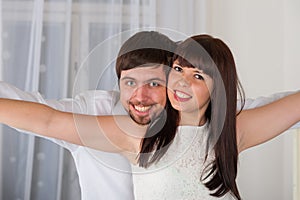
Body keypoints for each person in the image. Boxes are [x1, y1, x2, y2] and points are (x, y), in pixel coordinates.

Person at [0, 31, 299, 200]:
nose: (182, 82)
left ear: (217, 88)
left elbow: (292, 106)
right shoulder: (139, 136)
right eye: (179, 70)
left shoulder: (233, 131)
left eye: (198, 76)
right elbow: (48, 120)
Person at [0, 31, 177, 200]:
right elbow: (43, 118)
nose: (140, 97)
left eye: (154, 84)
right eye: (130, 83)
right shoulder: (94, 110)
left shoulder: (189, 127)